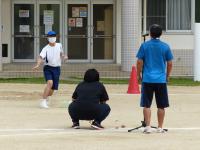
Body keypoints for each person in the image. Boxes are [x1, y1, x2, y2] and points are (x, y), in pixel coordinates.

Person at [136, 24, 173, 133]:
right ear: (161, 34)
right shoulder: (165, 46)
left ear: (150, 34)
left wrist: (138, 75)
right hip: (161, 79)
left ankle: (147, 127)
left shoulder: (144, 46)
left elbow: (139, 61)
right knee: (161, 105)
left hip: (147, 78)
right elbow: (170, 63)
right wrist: (167, 75)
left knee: (147, 104)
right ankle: (160, 127)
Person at [32, 31, 68, 108]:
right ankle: (43, 101)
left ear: (56, 37)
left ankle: (46, 97)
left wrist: (64, 56)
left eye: (53, 36)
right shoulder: (45, 48)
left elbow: (61, 53)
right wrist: (38, 65)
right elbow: (40, 57)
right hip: (48, 68)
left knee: (51, 91)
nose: (52, 38)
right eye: (50, 37)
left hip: (57, 69)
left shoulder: (59, 45)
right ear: (48, 38)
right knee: (50, 83)